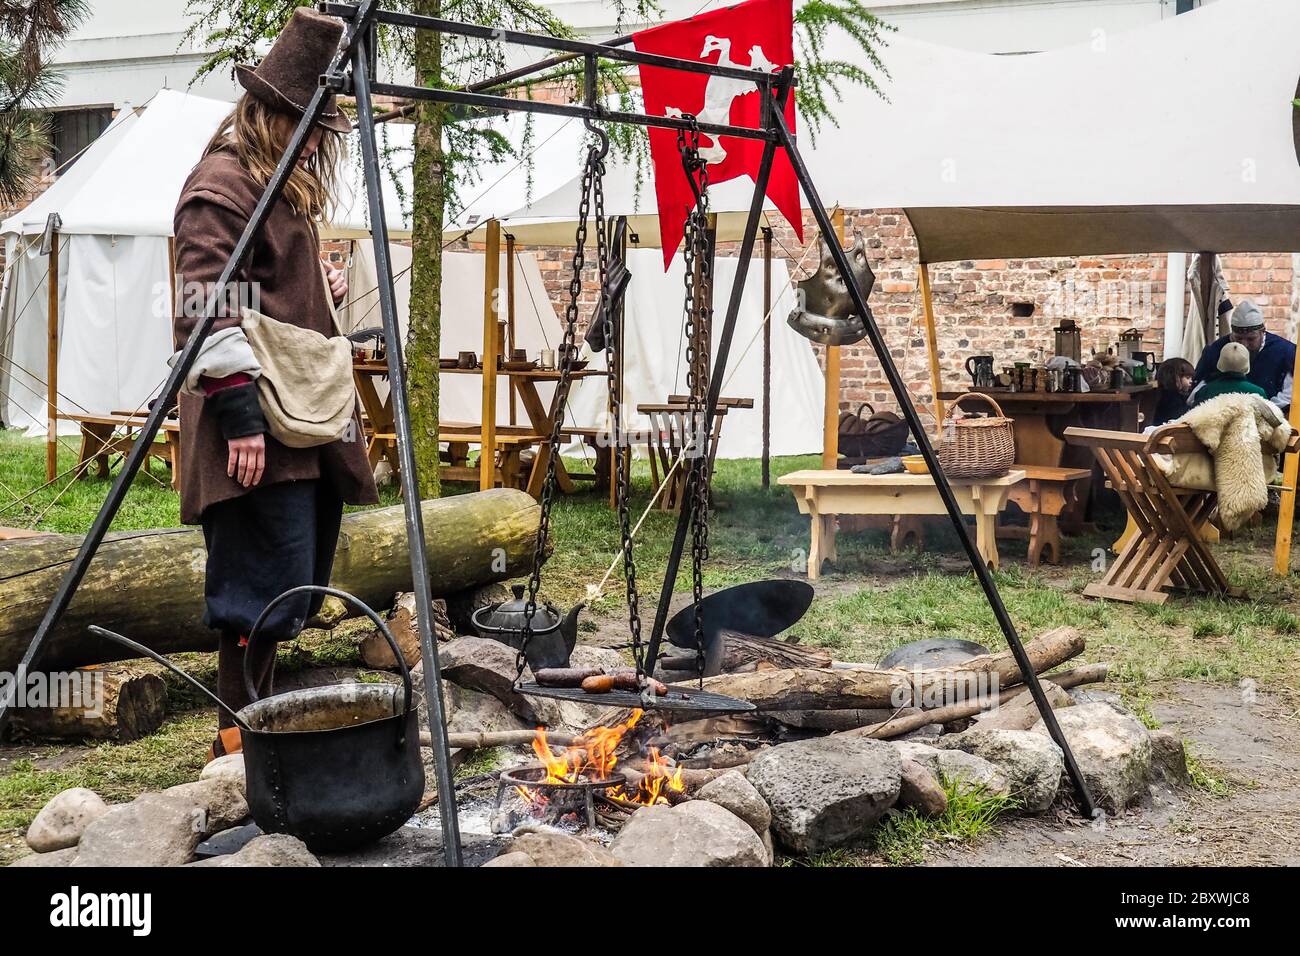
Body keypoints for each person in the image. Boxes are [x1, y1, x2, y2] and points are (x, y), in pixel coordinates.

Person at [171, 9, 378, 761]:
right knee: (252, 594)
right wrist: (241, 417)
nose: (320, 140)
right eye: (311, 124)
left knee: (288, 584)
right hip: (258, 425)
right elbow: (202, 304)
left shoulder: (275, 190)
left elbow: (260, 289)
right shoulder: (221, 187)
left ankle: (261, 731)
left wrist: (307, 289)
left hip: (300, 426)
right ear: (276, 117)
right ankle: (238, 742)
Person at [1191, 299, 1295, 411]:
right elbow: (1196, 393)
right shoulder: (1215, 351)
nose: (1244, 345)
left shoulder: (1285, 352)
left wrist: (1261, 412)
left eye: (1251, 339)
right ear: (1232, 333)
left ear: (1262, 332)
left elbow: (1290, 394)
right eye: (1238, 338)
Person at [1189, 342, 1268, 408]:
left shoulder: (1205, 391)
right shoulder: (1258, 393)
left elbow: (1194, 418)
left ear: (1219, 365)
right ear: (1247, 367)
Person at [1152, 356, 1194, 426]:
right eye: (1187, 378)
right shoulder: (1170, 399)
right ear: (1175, 378)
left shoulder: (1163, 395)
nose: (1191, 381)